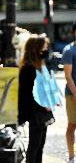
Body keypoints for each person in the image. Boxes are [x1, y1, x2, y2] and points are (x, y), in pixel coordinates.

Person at [18, 35, 54, 163]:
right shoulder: (29, 68)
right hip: (35, 112)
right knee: (34, 146)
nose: (46, 49)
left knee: (40, 146)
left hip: (42, 111)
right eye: (43, 46)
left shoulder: (40, 65)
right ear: (36, 48)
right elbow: (27, 94)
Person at [61, 22, 76, 163]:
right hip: (72, 95)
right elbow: (68, 75)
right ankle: (72, 157)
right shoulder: (69, 50)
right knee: (72, 125)